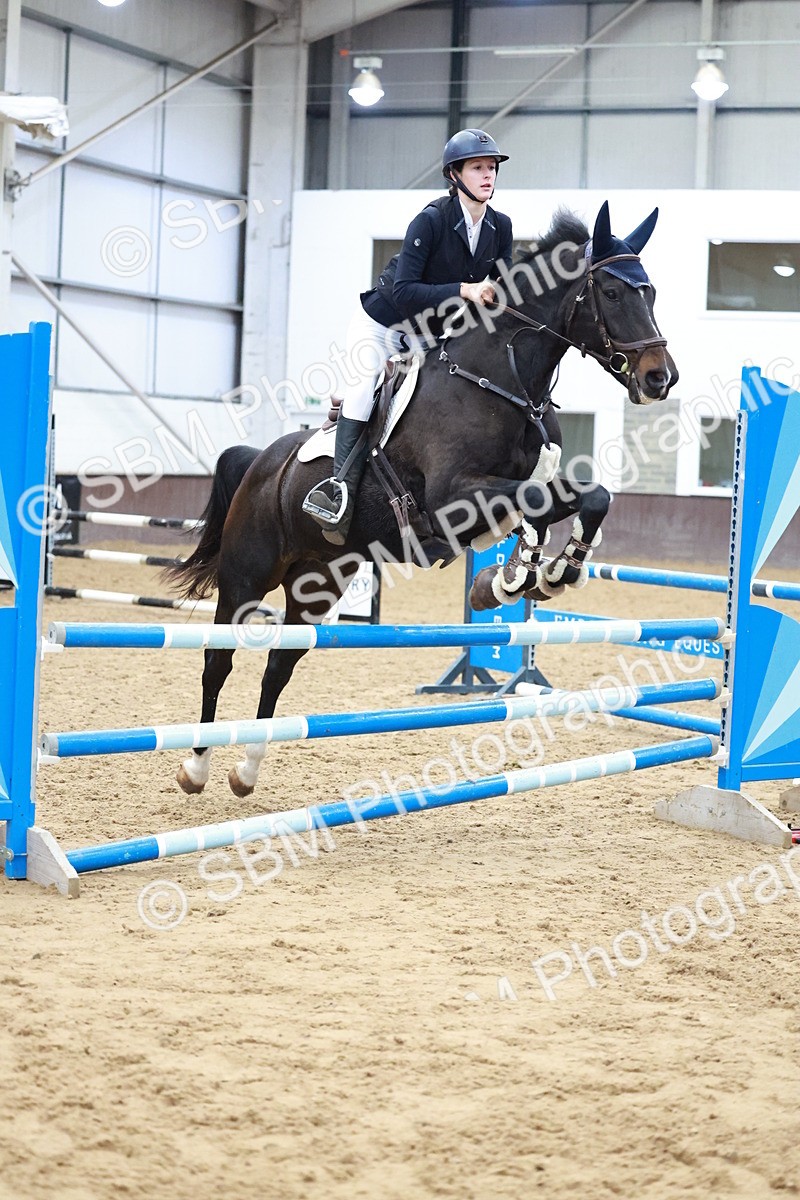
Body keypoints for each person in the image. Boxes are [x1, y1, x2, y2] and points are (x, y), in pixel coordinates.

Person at [303, 128, 514, 545]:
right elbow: (404, 290)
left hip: (428, 336)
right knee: (365, 393)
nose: (488, 175)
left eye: (491, 168)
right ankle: (338, 491)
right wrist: (464, 290)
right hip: (382, 324)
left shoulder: (500, 226)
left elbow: (504, 290)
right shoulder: (431, 220)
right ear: (454, 174)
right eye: (478, 167)